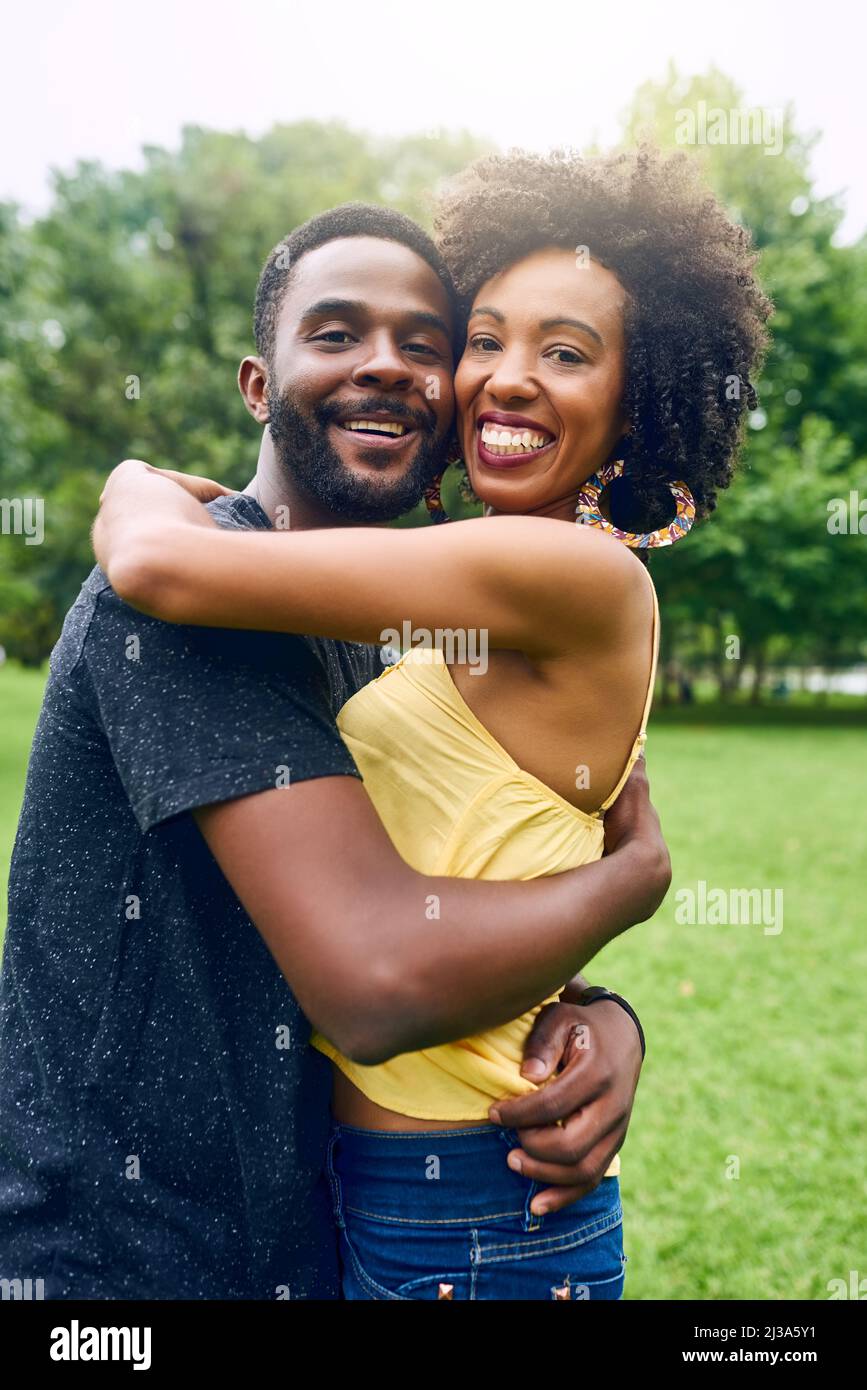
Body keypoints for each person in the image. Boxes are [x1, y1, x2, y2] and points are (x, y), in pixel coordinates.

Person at [92, 147, 771, 1299]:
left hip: (472, 1204)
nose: (504, 378)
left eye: (565, 352)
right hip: (390, 1184)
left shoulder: (573, 577)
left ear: (636, 400)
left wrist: (133, 478)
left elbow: (160, 566)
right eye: (487, 338)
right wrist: (609, 1000)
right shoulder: (461, 599)